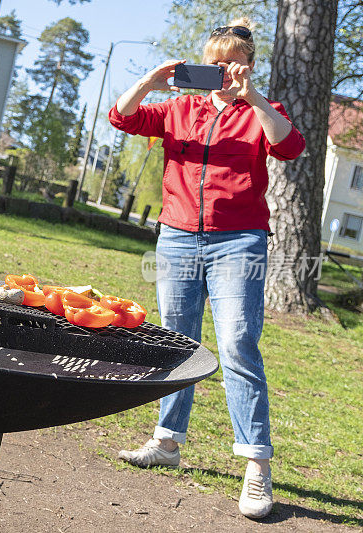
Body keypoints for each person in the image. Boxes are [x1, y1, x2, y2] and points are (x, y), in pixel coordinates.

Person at [107, 18, 305, 519]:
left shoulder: (263, 112)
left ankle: (257, 466)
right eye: (211, 62)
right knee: (177, 340)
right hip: (175, 238)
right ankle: (167, 441)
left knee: (238, 342)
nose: (220, 71)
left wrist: (253, 98)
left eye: (230, 62)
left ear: (247, 64)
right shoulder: (180, 107)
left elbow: (290, 146)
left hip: (239, 243)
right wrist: (150, 82)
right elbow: (121, 117)